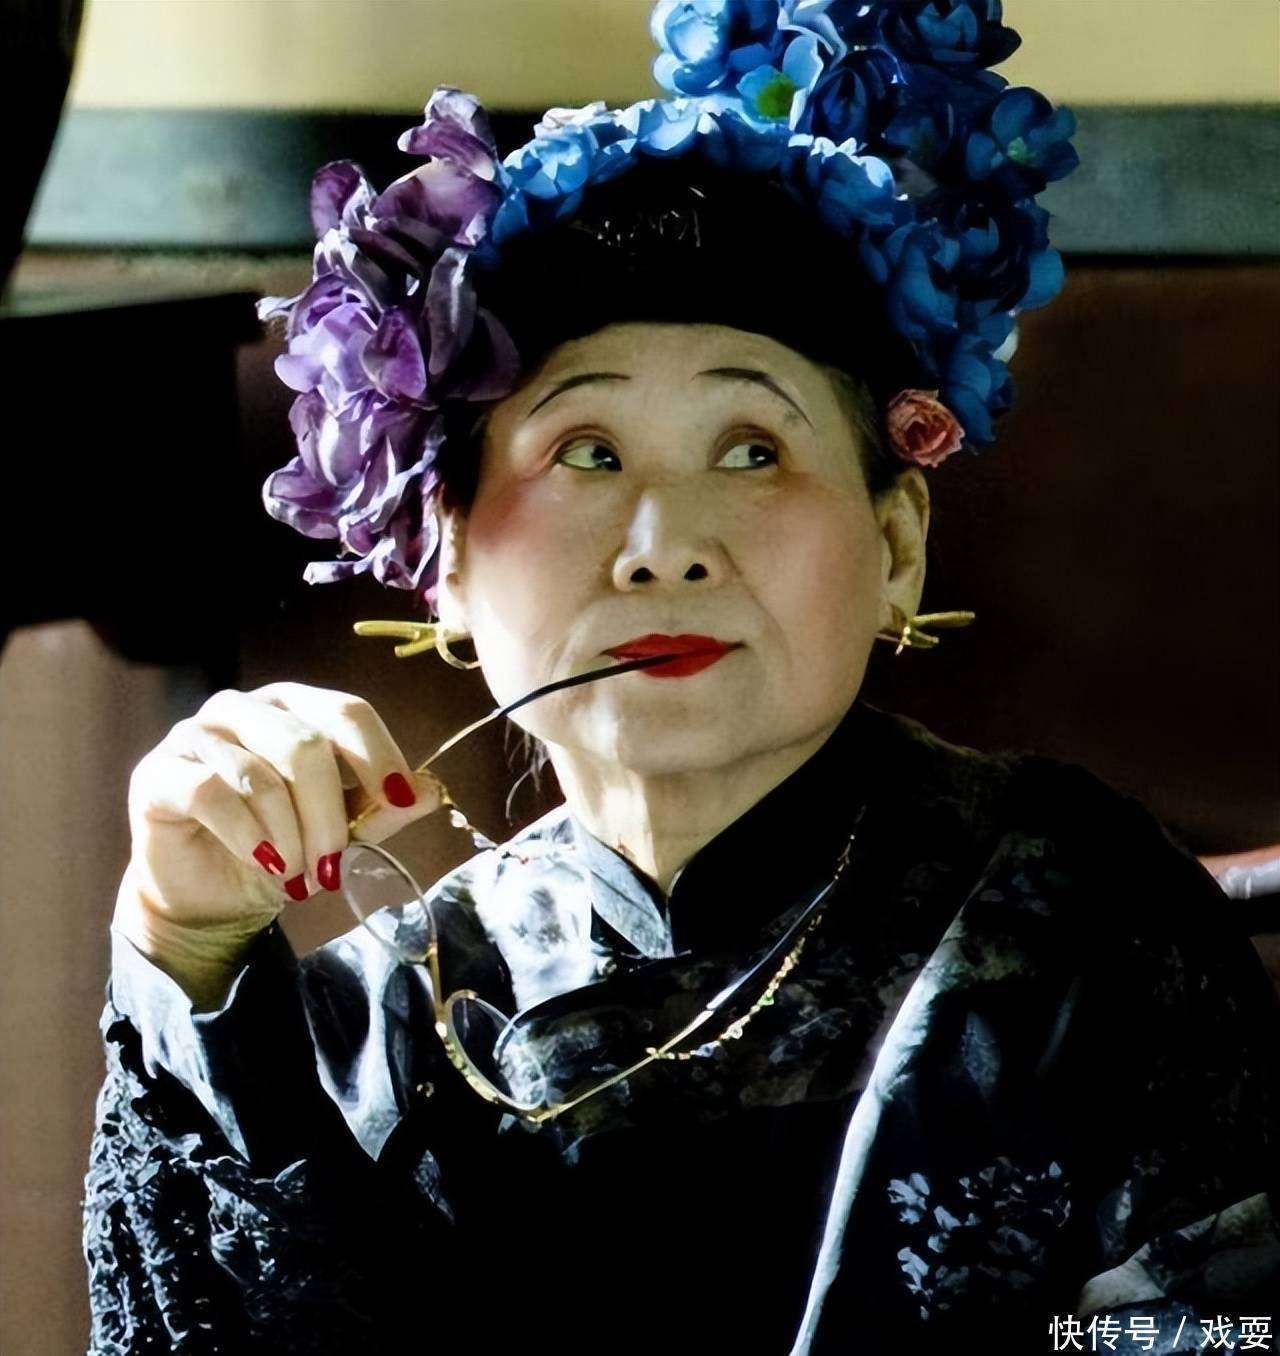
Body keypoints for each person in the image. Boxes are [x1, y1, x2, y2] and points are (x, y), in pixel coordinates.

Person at [84, 5, 1278, 1353]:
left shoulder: (1083, 913)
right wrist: (184, 950)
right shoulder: (386, 1010)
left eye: (754, 449)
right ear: (448, 560)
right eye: (586, 453)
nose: (665, 547)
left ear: (896, 548)